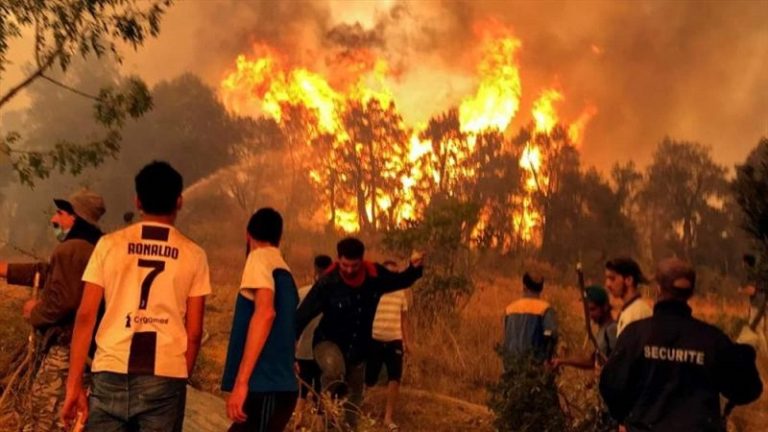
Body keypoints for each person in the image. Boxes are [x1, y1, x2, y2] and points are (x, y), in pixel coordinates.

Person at [61, 161, 211, 431]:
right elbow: (195, 332)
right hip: (165, 376)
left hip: (109, 370)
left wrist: (74, 384)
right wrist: (179, 377)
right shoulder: (194, 254)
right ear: (179, 201)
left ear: (137, 201)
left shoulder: (108, 245)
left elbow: (85, 316)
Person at [600, 258, 763, 431]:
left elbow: (611, 387)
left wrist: (629, 418)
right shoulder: (711, 340)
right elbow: (747, 389)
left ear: (658, 289)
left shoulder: (635, 335)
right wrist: (746, 351)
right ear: (691, 292)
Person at [0, 189, 105, 432]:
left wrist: (35, 312)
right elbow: (48, 273)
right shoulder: (94, 248)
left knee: (47, 415)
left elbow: (63, 302)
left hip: (66, 351)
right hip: (89, 352)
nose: (54, 219)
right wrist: (6, 270)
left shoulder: (71, 249)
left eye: (60, 213)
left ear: (75, 218)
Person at [295, 237, 424, 428]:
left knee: (354, 394)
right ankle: (324, 408)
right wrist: (290, 347)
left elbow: (400, 280)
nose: (349, 270)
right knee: (334, 371)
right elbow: (301, 316)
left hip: (358, 348)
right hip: (327, 343)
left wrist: (414, 268)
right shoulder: (328, 283)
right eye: (344, 265)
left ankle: (348, 425)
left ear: (361, 261)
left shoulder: (374, 276)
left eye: (354, 265)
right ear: (338, 260)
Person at [221, 208, 300, 432]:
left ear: (248, 234)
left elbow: (265, 313)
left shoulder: (258, 258)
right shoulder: (283, 268)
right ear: (279, 237)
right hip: (278, 387)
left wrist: (241, 383)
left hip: (265, 386)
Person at [365, 260, 411, 432]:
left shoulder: (400, 293)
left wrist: (407, 342)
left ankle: (388, 417)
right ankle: (363, 410)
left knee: (395, 378)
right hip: (375, 339)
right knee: (369, 379)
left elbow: (404, 320)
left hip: (394, 340)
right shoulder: (374, 290)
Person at [295, 255, 333, 411]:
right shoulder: (335, 295)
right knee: (321, 391)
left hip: (303, 350)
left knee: (302, 393)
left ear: (315, 270)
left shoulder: (302, 293)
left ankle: (298, 422)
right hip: (323, 352)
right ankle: (318, 425)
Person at [552, 285, 617, 369]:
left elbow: (619, 362)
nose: (590, 315)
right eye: (588, 310)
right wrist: (561, 361)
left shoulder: (612, 329)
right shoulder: (602, 330)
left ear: (605, 307)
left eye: (593, 309)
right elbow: (592, 362)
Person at [502, 272, 557, 362]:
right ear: (541, 288)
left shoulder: (509, 309)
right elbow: (551, 336)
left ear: (524, 287)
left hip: (511, 365)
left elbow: (505, 339)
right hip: (535, 367)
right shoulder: (545, 309)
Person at [604, 257, 653, 336]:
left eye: (612, 279)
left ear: (629, 280)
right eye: (607, 279)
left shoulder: (637, 313)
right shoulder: (629, 310)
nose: (607, 284)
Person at [739, 253, 767, 351]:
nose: (742, 265)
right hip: (761, 305)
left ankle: (764, 354)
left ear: (746, 263)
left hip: (757, 305)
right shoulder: (758, 273)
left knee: (756, 329)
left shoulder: (751, 274)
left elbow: (752, 290)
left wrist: (741, 291)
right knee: (758, 330)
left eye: (743, 262)